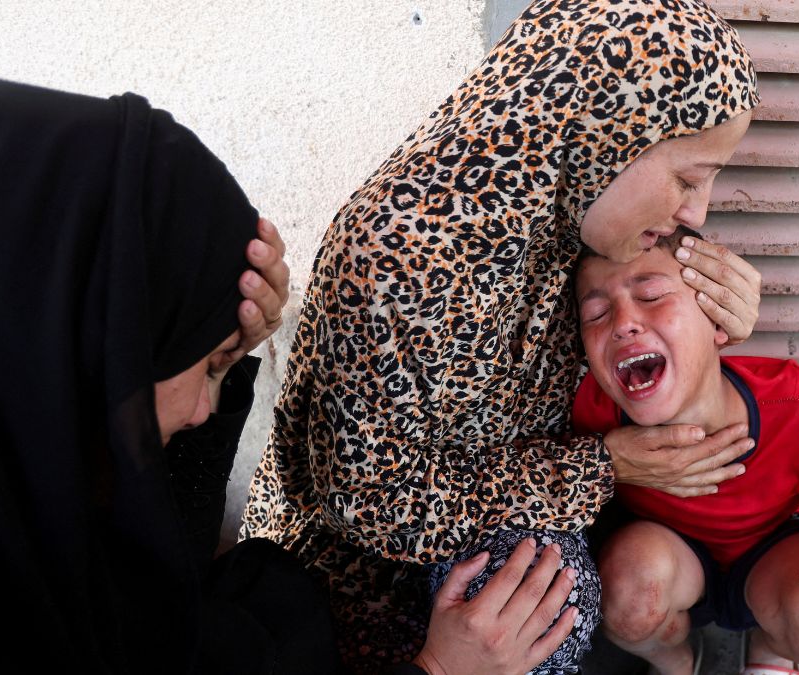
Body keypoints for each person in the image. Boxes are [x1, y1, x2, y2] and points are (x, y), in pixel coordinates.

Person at [0, 76, 571, 675]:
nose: (202, 411)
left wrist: (223, 354)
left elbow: (155, 586)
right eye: (206, 365)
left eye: (223, 363)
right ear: (60, 340)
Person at [242, 1, 766, 672]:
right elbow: (367, 500)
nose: (698, 212)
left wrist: (712, 304)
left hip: (507, 495)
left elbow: (644, 321)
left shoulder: (571, 205)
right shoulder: (399, 259)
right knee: (547, 605)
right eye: (688, 177)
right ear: (600, 133)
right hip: (355, 567)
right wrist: (601, 467)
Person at [572, 230, 799, 675]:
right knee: (625, 594)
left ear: (720, 323)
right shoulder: (590, 411)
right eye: (596, 313)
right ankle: (677, 662)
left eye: (653, 295)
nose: (622, 323)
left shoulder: (797, 402)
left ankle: (773, 645)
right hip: (668, 552)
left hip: (775, 545)